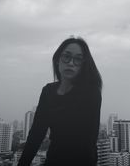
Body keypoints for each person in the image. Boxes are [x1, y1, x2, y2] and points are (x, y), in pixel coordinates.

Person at [18, 36, 103, 166]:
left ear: (83, 65)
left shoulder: (91, 93)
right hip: (52, 160)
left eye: (78, 59)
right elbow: (36, 134)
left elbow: (88, 143)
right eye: (66, 56)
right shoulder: (48, 91)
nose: (71, 63)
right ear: (58, 59)